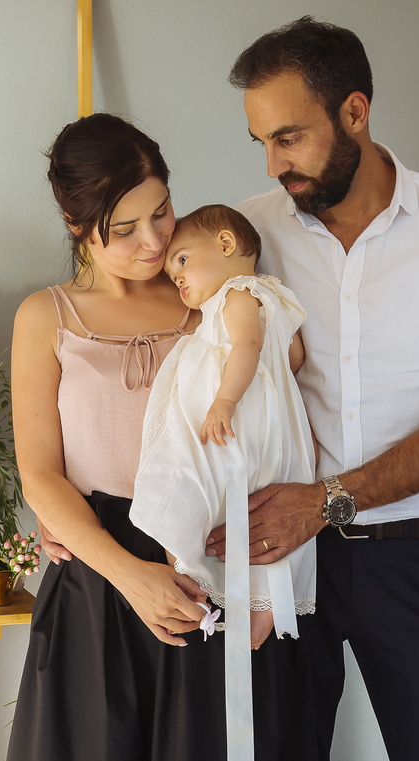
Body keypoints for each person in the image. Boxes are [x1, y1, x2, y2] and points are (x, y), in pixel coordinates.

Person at [212, 16, 419, 761]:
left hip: (408, 552)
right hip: (281, 556)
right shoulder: (245, 235)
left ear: (355, 111)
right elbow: (166, 350)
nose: (277, 163)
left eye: (290, 136)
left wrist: (327, 499)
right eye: (263, 144)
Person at [6, 113, 314, 761]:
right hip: (98, 578)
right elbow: (40, 473)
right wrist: (129, 575)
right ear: (76, 226)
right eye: (124, 229)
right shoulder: (45, 317)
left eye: (162, 212)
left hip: (210, 558)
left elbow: (280, 382)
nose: (152, 242)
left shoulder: (209, 297)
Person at [131, 204, 316, 654]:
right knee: (260, 521)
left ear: (227, 245)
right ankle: (266, 606)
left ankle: (186, 571)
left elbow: (248, 344)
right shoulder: (272, 296)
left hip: (234, 420)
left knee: (191, 482)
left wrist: (226, 399)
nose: (176, 278)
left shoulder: (236, 293)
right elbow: (293, 358)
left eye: (182, 261)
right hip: (273, 432)